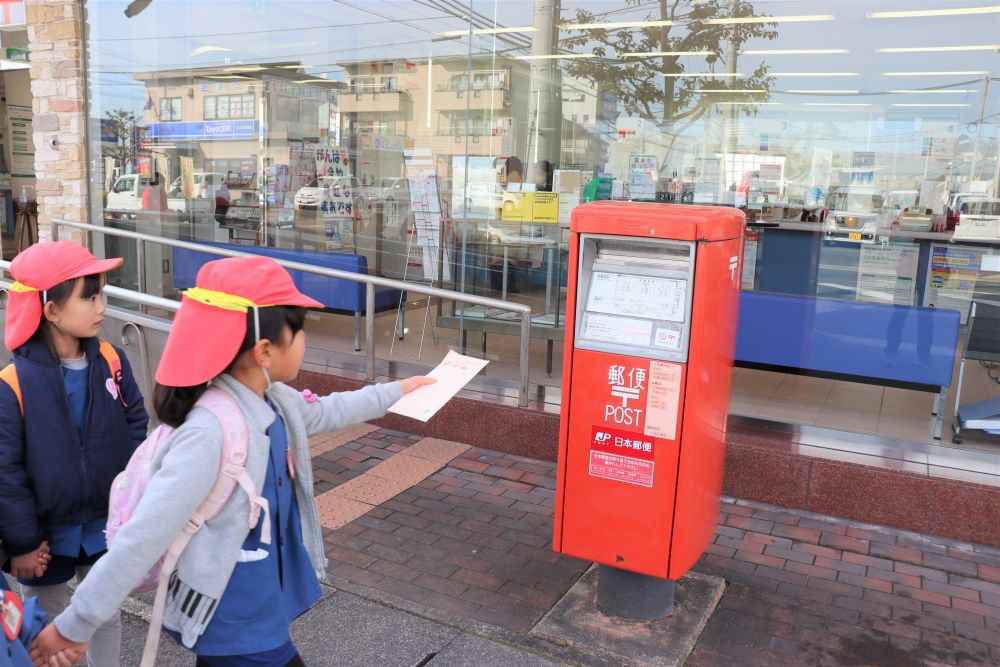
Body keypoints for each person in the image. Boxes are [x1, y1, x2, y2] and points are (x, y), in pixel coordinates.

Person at [30, 256, 435, 667]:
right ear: (264, 350)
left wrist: (400, 390)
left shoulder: (276, 401)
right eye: (300, 334)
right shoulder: (210, 433)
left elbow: (328, 411)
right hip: (234, 618)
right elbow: (142, 538)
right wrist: (74, 625)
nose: (305, 344)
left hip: (260, 603)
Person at [0, 241, 149, 667]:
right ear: (51, 311)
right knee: (46, 624)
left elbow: (136, 422)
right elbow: (5, 472)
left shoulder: (111, 359)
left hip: (107, 525)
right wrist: (22, 543)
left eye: (101, 293)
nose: (101, 306)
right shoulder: (13, 383)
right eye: (90, 296)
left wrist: (130, 491)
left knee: (105, 615)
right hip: (46, 538)